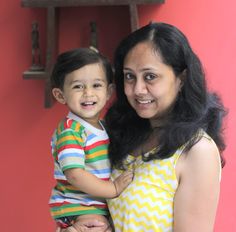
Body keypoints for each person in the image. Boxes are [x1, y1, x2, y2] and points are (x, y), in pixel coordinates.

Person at [64, 22, 227, 232]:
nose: (138, 89)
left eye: (150, 76)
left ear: (181, 79)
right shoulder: (124, 135)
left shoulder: (197, 151)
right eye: (129, 76)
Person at [49, 48, 133, 232]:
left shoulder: (102, 126)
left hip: (94, 203)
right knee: (98, 226)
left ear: (109, 90)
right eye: (78, 86)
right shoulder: (71, 130)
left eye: (96, 85)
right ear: (60, 95)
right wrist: (113, 189)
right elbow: (75, 174)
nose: (88, 93)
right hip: (77, 204)